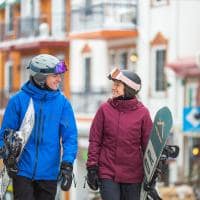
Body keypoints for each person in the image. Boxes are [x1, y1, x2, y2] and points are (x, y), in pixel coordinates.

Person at [0, 54, 78, 200]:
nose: (59, 79)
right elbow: (5, 134)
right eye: (55, 75)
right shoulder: (18, 101)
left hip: (49, 173)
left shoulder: (62, 104)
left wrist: (67, 165)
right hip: (22, 171)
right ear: (41, 77)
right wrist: (7, 156)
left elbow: (70, 138)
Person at [86, 67, 153, 200]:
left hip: (133, 175)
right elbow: (95, 141)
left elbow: (148, 146)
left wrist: (152, 175)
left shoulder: (143, 113)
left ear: (128, 89)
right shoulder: (104, 109)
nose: (113, 88)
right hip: (108, 172)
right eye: (113, 84)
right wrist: (92, 167)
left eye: (117, 85)